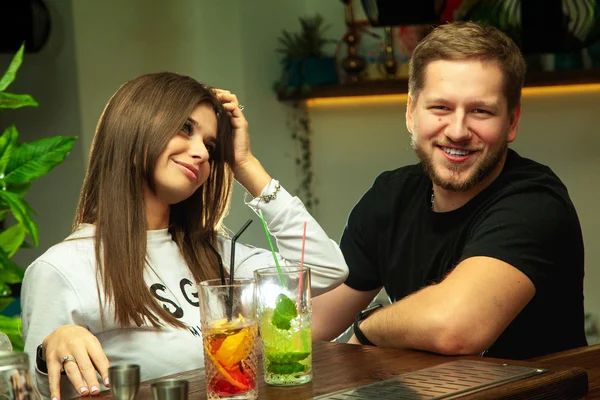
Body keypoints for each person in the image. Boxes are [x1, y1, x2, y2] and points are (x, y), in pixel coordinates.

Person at [21, 72, 349, 400]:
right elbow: (42, 391)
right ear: (134, 129)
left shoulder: (214, 253)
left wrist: (246, 164)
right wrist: (53, 344)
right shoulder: (61, 270)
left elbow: (326, 269)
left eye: (211, 146)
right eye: (185, 128)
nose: (203, 154)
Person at [313, 21, 587, 360]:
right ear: (412, 114)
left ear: (511, 122)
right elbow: (310, 322)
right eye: (441, 108)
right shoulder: (390, 197)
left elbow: (454, 327)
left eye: (480, 111)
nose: (458, 131)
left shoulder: (535, 202)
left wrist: (367, 327)